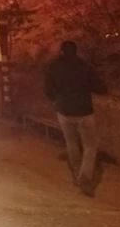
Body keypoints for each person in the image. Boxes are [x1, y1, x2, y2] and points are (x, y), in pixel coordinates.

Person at [45, 40, 108, 196]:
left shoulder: (54, 67)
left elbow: (48, 90)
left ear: (61, 52)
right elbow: (100, 88)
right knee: (90, 146)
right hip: (84, 111)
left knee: (71, 143)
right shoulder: (84, 66)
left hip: (64, 111)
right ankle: (85, 177)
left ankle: (76, 173)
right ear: (76, 51)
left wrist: (57, 100)